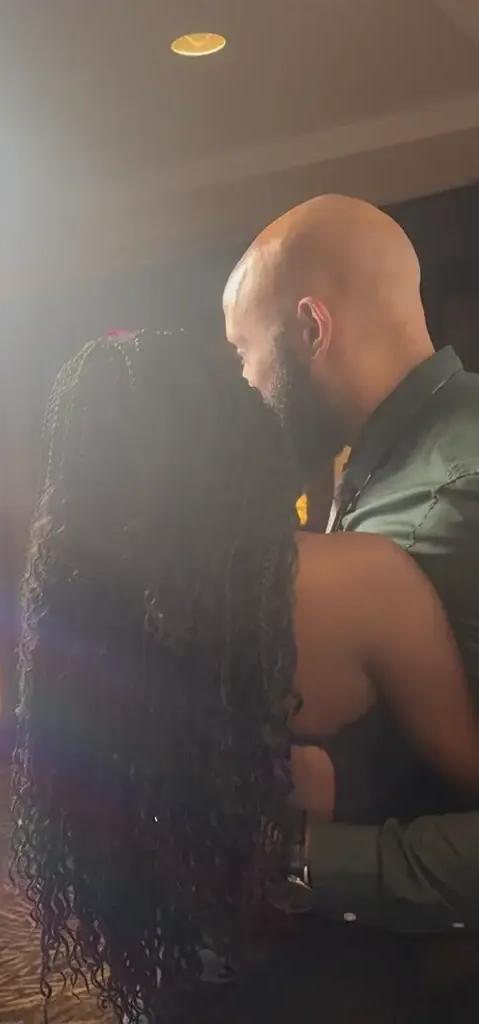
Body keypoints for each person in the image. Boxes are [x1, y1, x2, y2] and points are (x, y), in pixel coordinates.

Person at [11, 329, 479, 1024]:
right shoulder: (360, 580)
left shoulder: (78, 614)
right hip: (358, 979)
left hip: (176, 974)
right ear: (241, 433)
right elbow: (467, 773)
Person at [223, 194, 479, 931]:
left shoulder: (453, 499)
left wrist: (300, 859)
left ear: (309, 328)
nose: (242, 385)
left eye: (243, 351)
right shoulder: (382, 467)